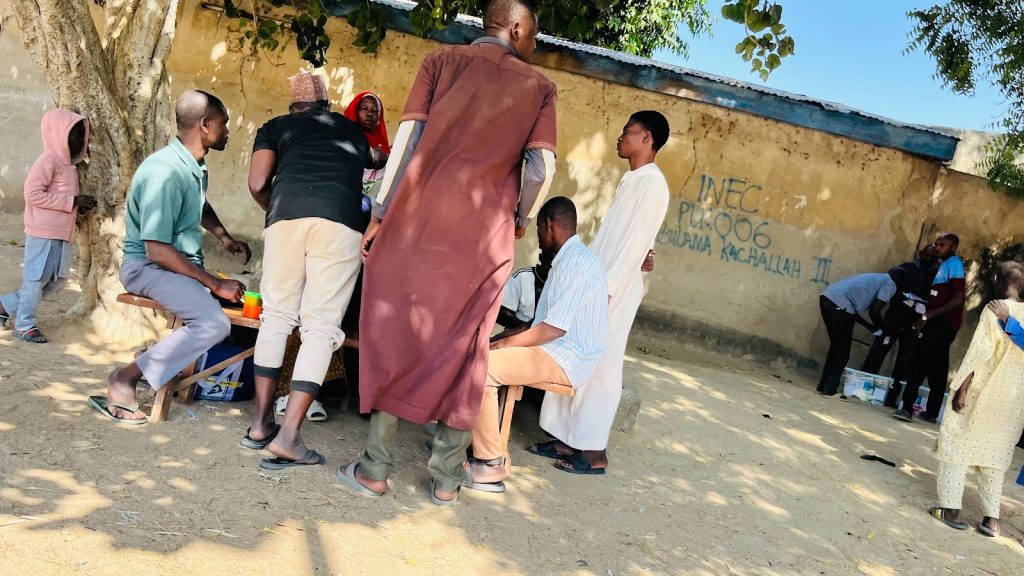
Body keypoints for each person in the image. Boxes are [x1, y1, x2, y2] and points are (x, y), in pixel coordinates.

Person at [336, 0, 558, 505]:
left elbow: (408, 141)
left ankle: (374, 468)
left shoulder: (439, 63)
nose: (534, 46)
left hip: (416, 228)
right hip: (484, 240)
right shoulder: (539, 88)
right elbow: (541, 166)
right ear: (517, 29)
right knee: (468, 346)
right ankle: (446, 480)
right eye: (534, 37)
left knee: (396, 333)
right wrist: (520, 217)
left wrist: (379, 216)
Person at [244, 72, 383, 468]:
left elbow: (257, 183)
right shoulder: (350, 131)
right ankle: (289, 437)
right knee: (320, 327)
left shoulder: (275, 127)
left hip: (285, 219)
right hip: (339, 226)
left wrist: (280, 210)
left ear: (293, 106)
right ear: (326, 105)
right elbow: (376, 164)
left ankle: (259, 425)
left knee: (276, 319)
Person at [91, 90, 250, 424]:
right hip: (147, 267)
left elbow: (199, 204)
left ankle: (154, 360)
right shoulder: (164, 172)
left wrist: (224, 238)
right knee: (213, 322)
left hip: (174, 268)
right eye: (224, 124)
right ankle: (126, 376)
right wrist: (213, 284)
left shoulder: (192, 165)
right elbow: (157, 250)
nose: (228, 131)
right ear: (205, 125)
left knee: (226, 312)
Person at [530, 111, 671, 475]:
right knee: (577, 356)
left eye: (628, 131)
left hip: (613, 290)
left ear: (648, 138)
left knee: (603, 366)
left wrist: (607, 291)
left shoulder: (652, 182)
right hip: (601, 285)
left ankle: (594, 453)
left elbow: (635, 244)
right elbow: (638, 242)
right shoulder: (634, 180)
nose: (620, 137)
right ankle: (566, 438)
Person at [468, 197, 608, 491]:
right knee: (483, 352)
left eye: (539, 234)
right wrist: (498, 340)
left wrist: (503, 347)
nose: (539, 242)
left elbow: (551, 330)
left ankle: (490, 463)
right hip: (552, 350)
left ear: (549, 225)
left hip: (566, 358)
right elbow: (536, 325)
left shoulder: (576, 264)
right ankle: (466, 440)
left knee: (483, 367)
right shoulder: (566, 261)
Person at [928, 261, 1024, 538]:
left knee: (957, 442)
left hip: (985, 391)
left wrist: (962, 388)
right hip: (1014, 402)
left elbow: (980, 353)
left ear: (996, 279)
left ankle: (950, 509)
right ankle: (991, 519)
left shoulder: (994, 309)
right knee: (995, 455)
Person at [1, 109, 96, 343]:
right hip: (42, 233)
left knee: (57, 281)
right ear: (58, 136)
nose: (78, 141)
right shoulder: (48, 161)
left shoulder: (69, 166)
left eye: (81, 136)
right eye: (73, 135)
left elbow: (61, 197)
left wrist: (76, 207)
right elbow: (32, 194)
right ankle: (24, 325)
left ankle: (5, 305)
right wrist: (71, 202)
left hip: (62, 234)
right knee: (35, 279)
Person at [339, 90, 393, 418]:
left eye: (376, 110)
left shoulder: (390, 159)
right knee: (334, 310)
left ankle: (360, 395)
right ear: (353, 111)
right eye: (365, 108)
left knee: (362, 317)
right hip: (339, 237)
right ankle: (325, 388)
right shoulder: (341, 147)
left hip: (370, 248)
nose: (370, 113)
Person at [857, 244, 941, 406]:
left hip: (914, 325)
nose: (928, 259)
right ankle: (861, 390)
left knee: (904, 362)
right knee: (877, 354)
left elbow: (935, 300)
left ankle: (891, 399)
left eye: (933, 258)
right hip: (893, 319)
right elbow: (891, 289)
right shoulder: (906, 268)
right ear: (920, 253)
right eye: (926, 255)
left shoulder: (937, 277)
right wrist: (905, 299)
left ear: (938, 260)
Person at [895, 232, 965, 422]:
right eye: (936, 244)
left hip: (942, 323)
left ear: (953, 247)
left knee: (919, 362)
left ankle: (907, 408)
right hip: (937, 321)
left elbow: (958, 298)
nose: (937, 248)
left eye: (942, 245)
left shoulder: (955, 265)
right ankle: (932, 413)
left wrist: (928, 316)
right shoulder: (944, 265)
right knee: (938, 368)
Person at [814, 270, 899, 396]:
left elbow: (850, 312)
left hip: (827, 298)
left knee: (836, 348)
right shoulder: (890, 283)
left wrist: (868, 326)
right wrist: (882, 327)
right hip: (840, 304)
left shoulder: (875, 277)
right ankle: (830, 389)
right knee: (843, 351)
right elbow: (874, 311)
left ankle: (824, 386)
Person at [495, 249, 553, 333]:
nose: (553, 268)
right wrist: (527, 330)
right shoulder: (522, 276)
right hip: (518, 334)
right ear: (541, 258)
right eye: (550, 262)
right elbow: (501, 314)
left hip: (550, 340)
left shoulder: (565, 282)